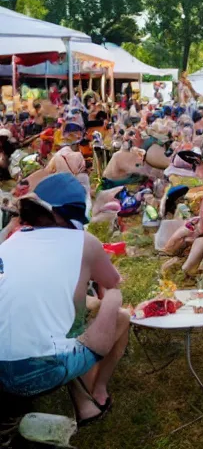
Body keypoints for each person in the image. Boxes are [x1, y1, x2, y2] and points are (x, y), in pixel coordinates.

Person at [0, 173, 129, 425]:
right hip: (39, 372)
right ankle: (96, 396)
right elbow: (112, 282)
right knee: (116, 304)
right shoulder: (84, 241)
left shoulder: (12, 241)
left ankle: (84, 403)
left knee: (65, 314)